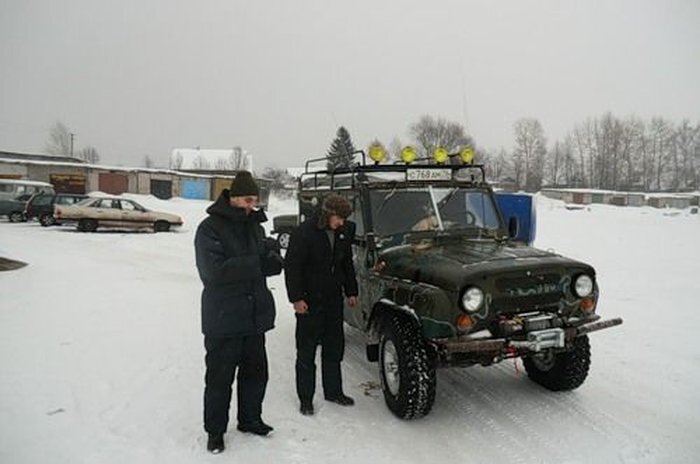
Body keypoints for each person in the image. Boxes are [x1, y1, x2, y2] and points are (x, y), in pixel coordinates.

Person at [194, 171, 283, 454]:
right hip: (224, 318)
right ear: (232, 197)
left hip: (254, 317)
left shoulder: (255, 227)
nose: (251, 206)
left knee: (256, 374)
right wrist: (257, 263)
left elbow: (262, 259)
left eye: (255, 200)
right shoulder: (209, 228)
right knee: (220, 379)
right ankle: (215, 431)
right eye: (247, 199)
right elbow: (213, 272)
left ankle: (250, 419)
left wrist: (273, 259)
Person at [284, 194, 359, 416]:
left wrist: (351, 290)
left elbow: (346, 263)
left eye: (344, 219)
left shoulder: (343, 232)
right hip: (309, 301)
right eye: (338, 218)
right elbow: (292, 267)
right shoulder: (304, 232)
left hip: (333, 300)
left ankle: (334, 391)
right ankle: (306, 398)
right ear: (327, 214)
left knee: (334, 348)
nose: (342, 223)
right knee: (306, 351)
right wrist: (297, 299)